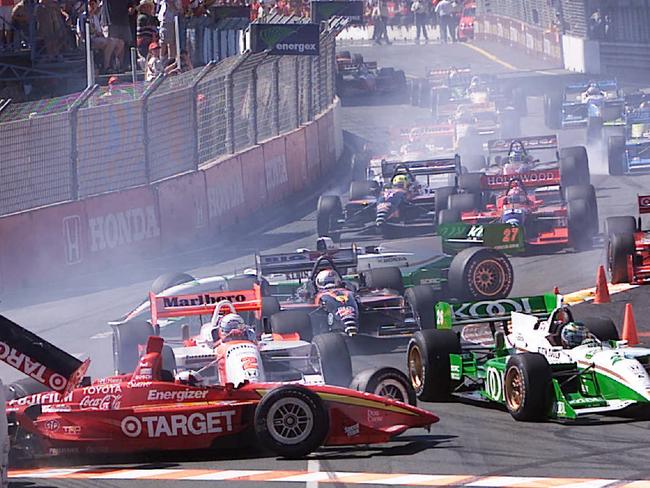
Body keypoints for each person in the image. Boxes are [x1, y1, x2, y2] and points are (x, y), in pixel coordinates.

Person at [78, 0, 124, 72]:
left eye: (94, 4)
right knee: (109, 43)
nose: (93, 7)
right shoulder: (83, 17)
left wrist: (99, 33)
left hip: (98, 38)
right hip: (89, 40)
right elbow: (82, 32)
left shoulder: (95, 17)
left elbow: (99, 32)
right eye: (91, 4)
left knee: (120, 42)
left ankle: (115, 62)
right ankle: (106, 67)